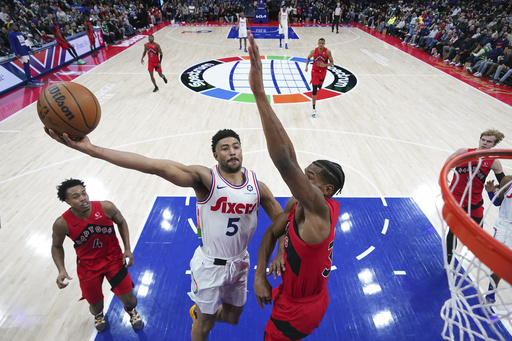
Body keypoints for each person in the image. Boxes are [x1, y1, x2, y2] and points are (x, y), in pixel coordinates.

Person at [46, 129, 283, 341]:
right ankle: (201, 317)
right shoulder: (206, 179)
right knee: (205, 324)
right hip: (210, 265)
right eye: (225, 148)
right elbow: (153, 165)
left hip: (240, 262)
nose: (232, 152)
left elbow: (282, 222)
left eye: (236, 146)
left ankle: (198, 312)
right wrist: (93, 150)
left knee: (232, 319)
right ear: (215, 155)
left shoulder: (257, 186)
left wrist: (281, 250)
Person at [248, 31, 344, 341]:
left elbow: (285, 161)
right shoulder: (295, 205)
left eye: (310, 177)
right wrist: (262, 272)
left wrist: (260, 94)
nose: (302, 179)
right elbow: (270, 232)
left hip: (304, 307)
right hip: (289, 291)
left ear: (326, 190)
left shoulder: (318, 211)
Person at [51, 179, 143, 332]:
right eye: (76, 196)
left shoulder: (106, 207)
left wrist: (127, 249)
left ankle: (131, 310)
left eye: (84, 193)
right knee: (95, 305)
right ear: (67, 201)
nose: (83, 198)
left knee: (129, 299)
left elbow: (121, 222)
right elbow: (56, 246)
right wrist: (61, 269)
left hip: (113, 260)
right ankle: (98, 314)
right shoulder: (62, 223)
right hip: (88, 268)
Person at [444, 129, 505, 263]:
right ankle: (448, 260)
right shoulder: (463, 152)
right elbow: (449, 161)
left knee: (478, 235)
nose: (484, 143)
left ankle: (477, 257)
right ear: (479, 140)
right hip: (456, 200)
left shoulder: (494, 163)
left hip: (474, 202)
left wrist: (493, 190)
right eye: (483, 140)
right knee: (453, 231)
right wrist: (445, 174)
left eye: (489, 141)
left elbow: (504, 184)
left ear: (493, 145)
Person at [484, 175, 512, 303]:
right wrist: (491, 192)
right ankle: (490, 294)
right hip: (504, 225)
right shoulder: (508, 181)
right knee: (500, 262)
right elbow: (497, 202)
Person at [305, 38, 334, 118]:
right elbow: (308, 58)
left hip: (323, 73)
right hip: (315, 72)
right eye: (319, 43)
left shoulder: (328, 52)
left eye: (322, 43)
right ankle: (314, 109)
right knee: (314, 90)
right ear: (317, 43)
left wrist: (324, 65)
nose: (320, 44)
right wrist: (306, 66)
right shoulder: (313, 51)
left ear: (324, 44)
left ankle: (318, 86)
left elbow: (332, 63)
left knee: (319, 87)